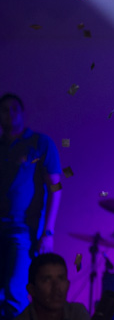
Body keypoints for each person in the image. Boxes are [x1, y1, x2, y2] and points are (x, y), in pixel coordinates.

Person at [1, 94, 62, 320]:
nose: (10, 113)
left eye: (15, 108)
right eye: (5, 109)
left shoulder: (39, 143)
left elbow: (55, 188)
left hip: (23, 231)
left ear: (23, 113)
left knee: (14, 292)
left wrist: (48, 232)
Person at [13, 253, 90, 320]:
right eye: (46, 280)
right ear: (31, 289)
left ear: (68, 284)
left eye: (61, 278)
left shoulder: (77, 313)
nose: (56, 287)